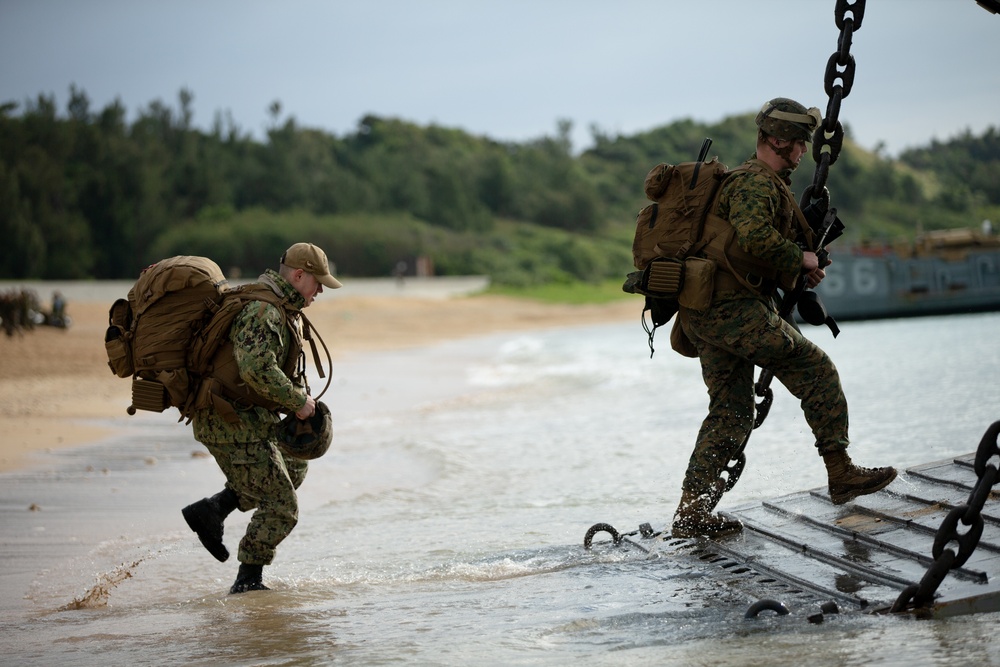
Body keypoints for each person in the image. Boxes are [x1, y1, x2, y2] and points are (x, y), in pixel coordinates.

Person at [671, 98, 897, 539]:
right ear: (776, 140)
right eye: (797, 143)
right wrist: (802, 256)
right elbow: (755, 238)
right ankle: (841, 472)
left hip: (707, 311)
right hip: (732, 311)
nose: (802, 152)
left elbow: (743, 248)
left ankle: (691, 512)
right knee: (817, 370)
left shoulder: (747, 182)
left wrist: (797, 266)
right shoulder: (755, 185)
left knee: (731, 412)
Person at [182, 242, 342, 593]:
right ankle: (248, 582)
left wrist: (300, 400)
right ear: (299, 276)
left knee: (294, 468)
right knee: (282, 506)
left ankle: (213, 510)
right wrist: (299, 402)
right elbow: (256, 368)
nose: (319, 292)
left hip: (246, 416)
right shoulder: (263, 309)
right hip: (228, 422)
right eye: (317, 284)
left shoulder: (281, 305)